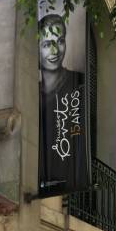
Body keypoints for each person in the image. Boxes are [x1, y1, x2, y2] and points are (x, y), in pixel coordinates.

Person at [38, 13, 86, 196]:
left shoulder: (78, 82)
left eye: (60, 41)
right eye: (46, 44)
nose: (55, 51)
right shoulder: (32, 92)